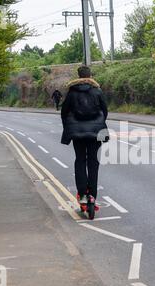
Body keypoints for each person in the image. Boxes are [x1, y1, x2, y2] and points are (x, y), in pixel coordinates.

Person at [60, 66, 108, 211]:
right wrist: (98, 124)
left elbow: (64, 112)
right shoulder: (97, 91)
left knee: (80, 160)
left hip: (77, 133)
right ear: (90, 75)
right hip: (95, 133)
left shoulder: (72, 93)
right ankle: (92, 196)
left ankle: (82, 196)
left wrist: (69, 127)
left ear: (79, 76)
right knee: (93, 162)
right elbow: (104, 111)